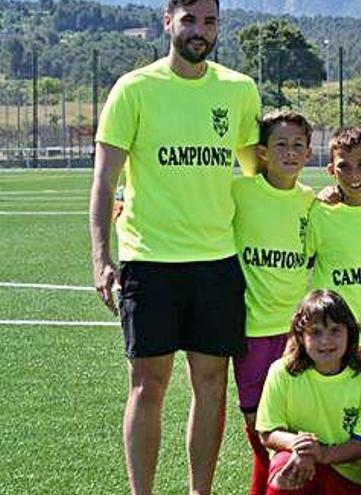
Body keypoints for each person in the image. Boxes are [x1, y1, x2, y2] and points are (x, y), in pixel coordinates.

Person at [88, 0, 260, 493]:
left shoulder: (238, 90)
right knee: (148, 387)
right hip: (151, 261)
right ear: (168, 22)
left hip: (217, 262)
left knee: (211, 389)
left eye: (209, 22)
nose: (199, 31)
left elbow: (256, 177)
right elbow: (104, 183)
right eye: (189, 20)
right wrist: (102, 257)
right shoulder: (134, 89)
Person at [232, 110, 316, 495]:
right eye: (280, 144)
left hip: (296, 336)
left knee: (290, 428)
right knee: (258, 428)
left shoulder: (312, 202)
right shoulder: (240, 192)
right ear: (262, 152)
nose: (290, 151)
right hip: (251, 332)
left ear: (309, 154)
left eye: (298, 144)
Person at [256, 290, 361, 495]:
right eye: (315, 332)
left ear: (350, 333)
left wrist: (323, 454)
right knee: (285, 470)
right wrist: (302, 447)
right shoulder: (281, 372)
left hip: (348, 471)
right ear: (301, 336)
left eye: (335, 330)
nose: (325, 341)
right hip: (298, 459)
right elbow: (268, 432)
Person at [306, 128, 361, 345]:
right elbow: (304, 262)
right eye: (343, 166)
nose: (354, 174)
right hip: (335, 334)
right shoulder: (319, 213)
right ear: (330, 170)